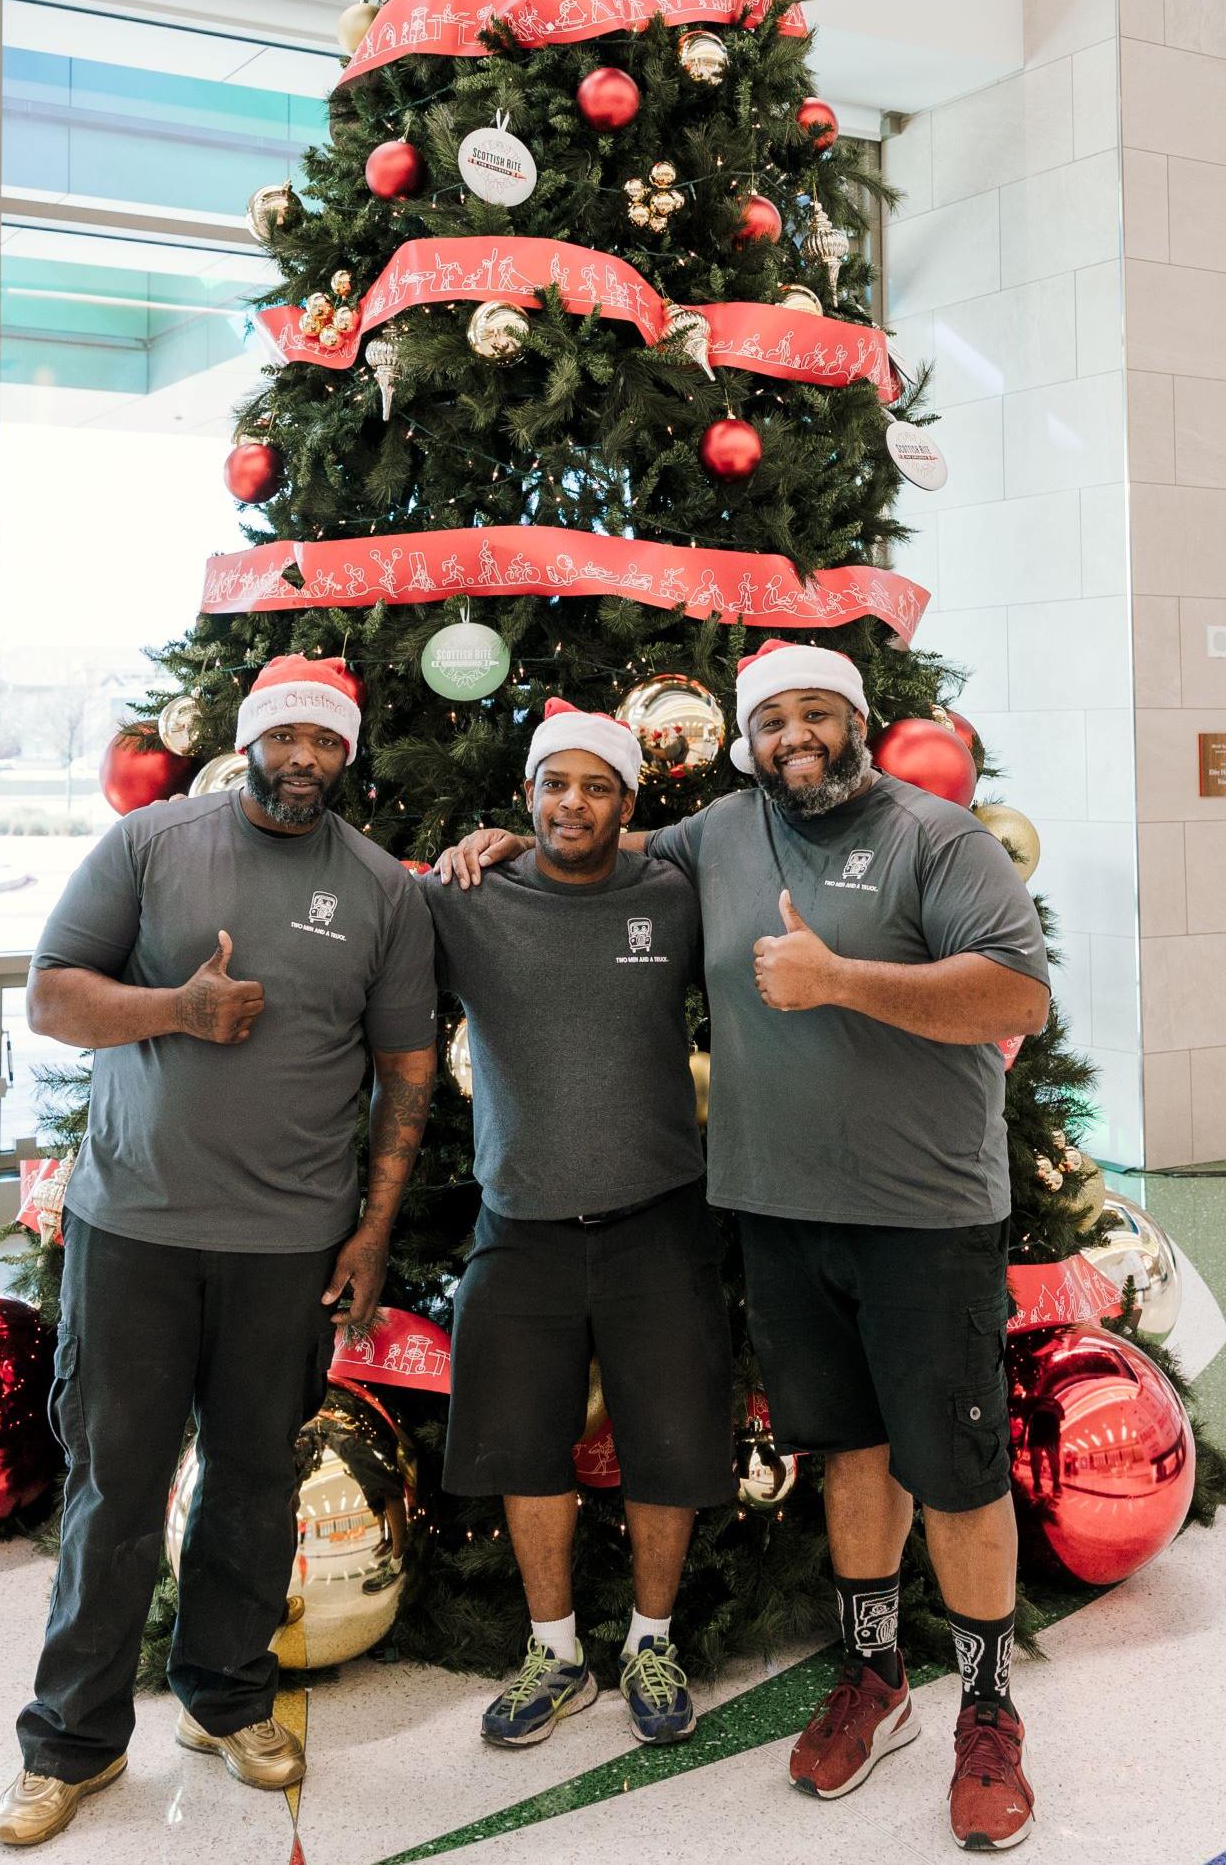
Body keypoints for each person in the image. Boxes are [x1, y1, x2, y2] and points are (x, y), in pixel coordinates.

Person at [439, 641, 1050, 1852]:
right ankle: (874, 1682)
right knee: (851, 1451)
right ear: (742, 740)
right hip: (775, 1207)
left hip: (923, 1213)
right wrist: (498, 843)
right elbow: (594, 850)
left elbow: (1015, 998)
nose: (795, 739)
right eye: (771, 722)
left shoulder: (941, 837)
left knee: (959, 1468)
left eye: (818, 715)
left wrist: (841, 981)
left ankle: (986, 1711)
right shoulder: (716, 835)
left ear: (858, 722)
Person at [0, 655, 438, 1848]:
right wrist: (175, 1012)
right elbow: (50, 997)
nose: (302, 758)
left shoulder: (379, 892)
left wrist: (372, 1226)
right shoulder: (151, 846)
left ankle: (227, 1697)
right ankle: (71, 1746)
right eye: (283, 736)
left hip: (286, 1248)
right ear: (248, 741)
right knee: (115, 1486)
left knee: (251, 1487)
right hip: (132, 1231)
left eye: (325, 742)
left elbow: (405, 1072)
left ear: (348, 755)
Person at [425, 698, 729, 1751]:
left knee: (671, 1438)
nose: (573, 802)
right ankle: (555, 1654)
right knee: (521, 1447)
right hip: (521, 1224)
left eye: (596, 786)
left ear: (627, 804)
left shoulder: (674, 896)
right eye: (554, 783)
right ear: (525, 796)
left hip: (659, 1216)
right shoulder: (465, 897)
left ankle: (651, 1639)